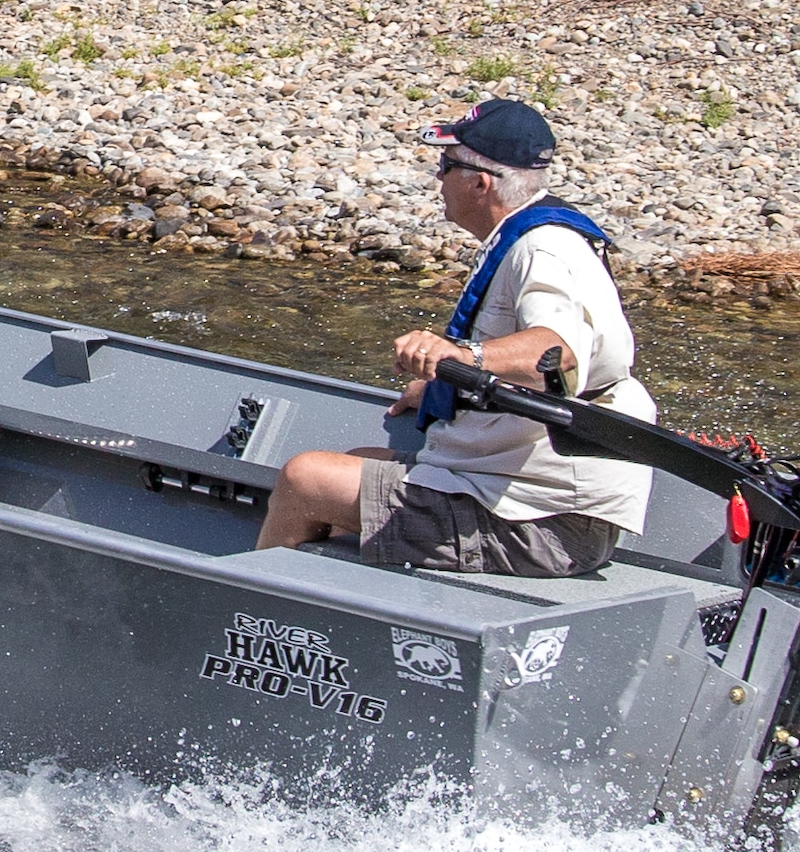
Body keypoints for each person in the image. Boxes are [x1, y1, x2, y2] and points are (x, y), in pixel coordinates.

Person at [252, 98, 657, 575]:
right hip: (518, 492)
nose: (438, 178)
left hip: (541, 522)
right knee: (357, 463)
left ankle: (239, 621)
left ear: (480, 182)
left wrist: (460, 353)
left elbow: (556, 355)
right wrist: (448, 382)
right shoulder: (533, 237)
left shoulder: (544, 250)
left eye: (446, 166)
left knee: (306, 480)